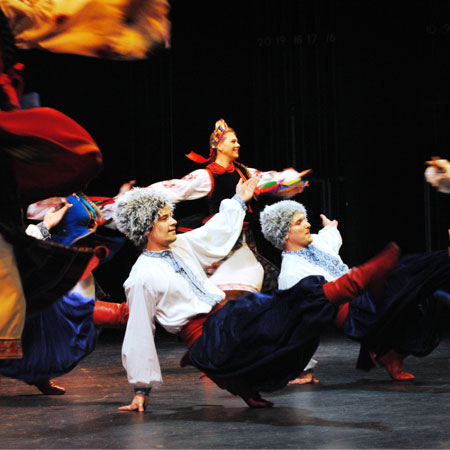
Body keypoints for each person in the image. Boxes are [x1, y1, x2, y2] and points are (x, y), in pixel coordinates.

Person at [113, 181, 401, 411]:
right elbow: (139, 332)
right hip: (207, 339)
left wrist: (239, 200)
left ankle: (353, 287)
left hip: (225, 323)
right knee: (281, 306)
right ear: (146, 227)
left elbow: (216, 231)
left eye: (170, 215)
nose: (173, 221)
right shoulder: (141, 277)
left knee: (279, 314)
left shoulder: (181, 245)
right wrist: (141, 389)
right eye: (164, 218)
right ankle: (357, 282)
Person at [260, 199, 450, 381]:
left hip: (366, 297)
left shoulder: (316, 241)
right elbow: (299, 324)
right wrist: (305, 369)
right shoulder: (291, 273)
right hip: (356, 315)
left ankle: (391, 355)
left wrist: (330, 227)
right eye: (299, 222)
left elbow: (330, 237)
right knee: (402, 276)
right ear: (284, 233)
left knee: (435, 301)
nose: (308, 224)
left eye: (305, 219)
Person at [149, 118, 310, 298]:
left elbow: (268, 179)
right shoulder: (205, 176)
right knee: (224, 289)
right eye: (233, 141)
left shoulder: (245, 172)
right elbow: (176, 188)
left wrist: (291, 180)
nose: (238, 144)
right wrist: (141, 197)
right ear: (219, 146)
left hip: (244, 239)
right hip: (222, 240)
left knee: (251, 285)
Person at [0, 194, 129, 394]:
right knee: (97, 314)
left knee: (39, 331)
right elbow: (18, 248)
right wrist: (46, 225)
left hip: (46, 279)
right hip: (23, 283)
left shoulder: (73, 198)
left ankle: (40, 375)